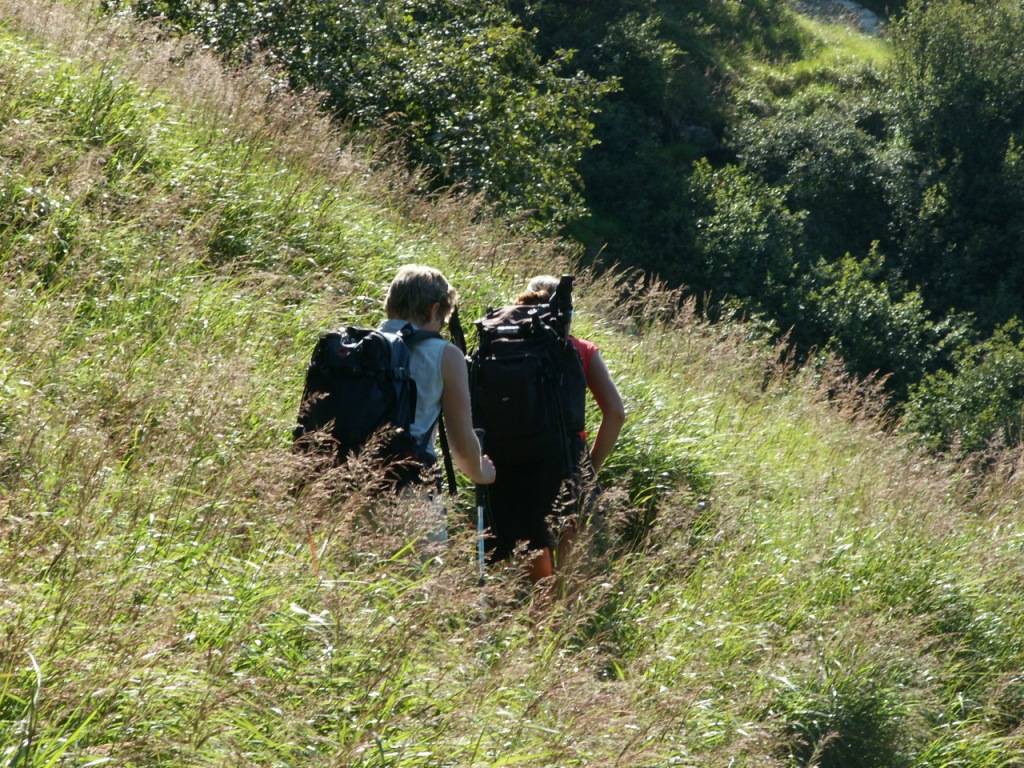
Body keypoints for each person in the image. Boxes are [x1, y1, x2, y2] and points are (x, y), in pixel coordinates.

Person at [485, 275, 625, 584]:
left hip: (513, 462)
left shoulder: (502, 346)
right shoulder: (579, 349)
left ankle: (541, 609)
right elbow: (615, 413)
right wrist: (590, 468)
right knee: (571, 572)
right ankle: (566, 610)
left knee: (536, 557)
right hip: (566, 461)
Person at [379, 265, 496, 538]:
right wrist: (482, 472)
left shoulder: (359, 346)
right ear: (434, 309)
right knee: (416, 567)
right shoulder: (445, 354)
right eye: (442, 319)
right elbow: (462, 447)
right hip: (409, 491)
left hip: (346, 488)